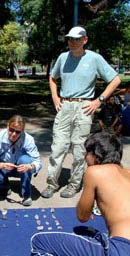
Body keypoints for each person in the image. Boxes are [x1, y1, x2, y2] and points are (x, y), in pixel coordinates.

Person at [31, 132, 130, 256]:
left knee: (39, 243)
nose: (85, 158)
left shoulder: (94, 172)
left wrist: (89, 204)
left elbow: (82, 216)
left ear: (95, 155)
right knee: (95, 236)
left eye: (86, 153)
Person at [41, 26, 121, 199]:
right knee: (58, 148)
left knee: (79, 149)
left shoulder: (94, 58)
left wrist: (99, 100)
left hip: (84, 107)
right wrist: (55, 96)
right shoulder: (63, 58)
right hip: (65, 106)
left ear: (85, 40)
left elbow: (115, 80)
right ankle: (51, 184)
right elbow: (53, 77)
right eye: (70, 39)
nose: (72, 42)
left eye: (76, 39)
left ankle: (74, 184)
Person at [0, 115, 42, 206]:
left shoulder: (28, 139)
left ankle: (26, 194)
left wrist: (30, 166)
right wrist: (2, 165)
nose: (14, 134)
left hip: (21, 168)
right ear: (8, 126)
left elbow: (38, 161)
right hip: (4, 167)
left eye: (18, 132)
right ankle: (4, 185)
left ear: (22, 131)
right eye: (11, 130)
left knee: (26, 160)